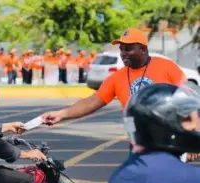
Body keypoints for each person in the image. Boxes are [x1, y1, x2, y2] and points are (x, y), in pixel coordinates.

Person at [41, 27, 200, 161]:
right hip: (138, 144)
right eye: (121, 49)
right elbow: (92, 101)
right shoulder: (116, 78)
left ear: (143, 49)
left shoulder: (166, 67)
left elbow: (188, 100)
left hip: (169, 141)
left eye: (128, 48)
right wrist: (61, 114)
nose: (123, 53)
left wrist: (194, 137)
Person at [105, 83, 200, 183]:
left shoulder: (121, 176)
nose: (196, 127)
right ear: (165, 125)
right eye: (188, 119)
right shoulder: (189, 179)